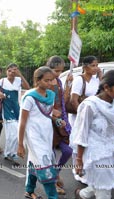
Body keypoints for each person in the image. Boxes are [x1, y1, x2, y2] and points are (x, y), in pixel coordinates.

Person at [73, 70, 114, 199]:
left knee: (105, 184)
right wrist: (79, 160)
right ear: (106, 87)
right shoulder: (90, 105)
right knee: (104, 190)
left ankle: (82, 194)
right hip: (94, 153)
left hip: (111, 150)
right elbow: (81, 134)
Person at [17, 66, 58, 199]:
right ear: (37, 80)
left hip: (47, 135)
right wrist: (20, 144)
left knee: (35, 162)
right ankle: (53, 196)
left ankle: (29, 190)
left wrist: (57, 121)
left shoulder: (51, 95)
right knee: (45, 165)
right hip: (34, 137)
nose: (51, 83)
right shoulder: (29, 98)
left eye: (52, 80)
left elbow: (48, 114)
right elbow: (22, 122)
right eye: (47, 80)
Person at [68, 55, 101, 182]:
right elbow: (73, 100)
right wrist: (82, 115)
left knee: (88, 142)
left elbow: (100, 94)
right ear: (84, 67)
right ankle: (77, 169)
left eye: (97, 65)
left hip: (91, 115)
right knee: (78, 142)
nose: (96, 68)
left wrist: (100, 76)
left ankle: (86, 169)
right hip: (78, 116)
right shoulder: (79, 80)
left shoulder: (95, 79)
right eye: (93, 65)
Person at [47, 56, 72, 195]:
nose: (58, 73)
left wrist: (68, 84)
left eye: (60, 70)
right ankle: (53, 182)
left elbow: (64, 100)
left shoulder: (59, 82)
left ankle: (56, 173)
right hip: (49, 123)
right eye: (56, 70)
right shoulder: (44, 84)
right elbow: (43, 106)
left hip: (61, 122)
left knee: (67, 151)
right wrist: (53, 114)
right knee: (50, 156)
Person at [0, 63, 30, 164]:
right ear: (6, 71)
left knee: (14, 134)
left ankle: (8, 153)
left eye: (14, 70)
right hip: (6, 109)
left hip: (17, 108)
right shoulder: (1, 81)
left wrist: (20, 75)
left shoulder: (19, 80)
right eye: (10, 70)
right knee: (13, 133)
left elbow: (28, 88)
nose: (12, 72)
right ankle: (12, 154)